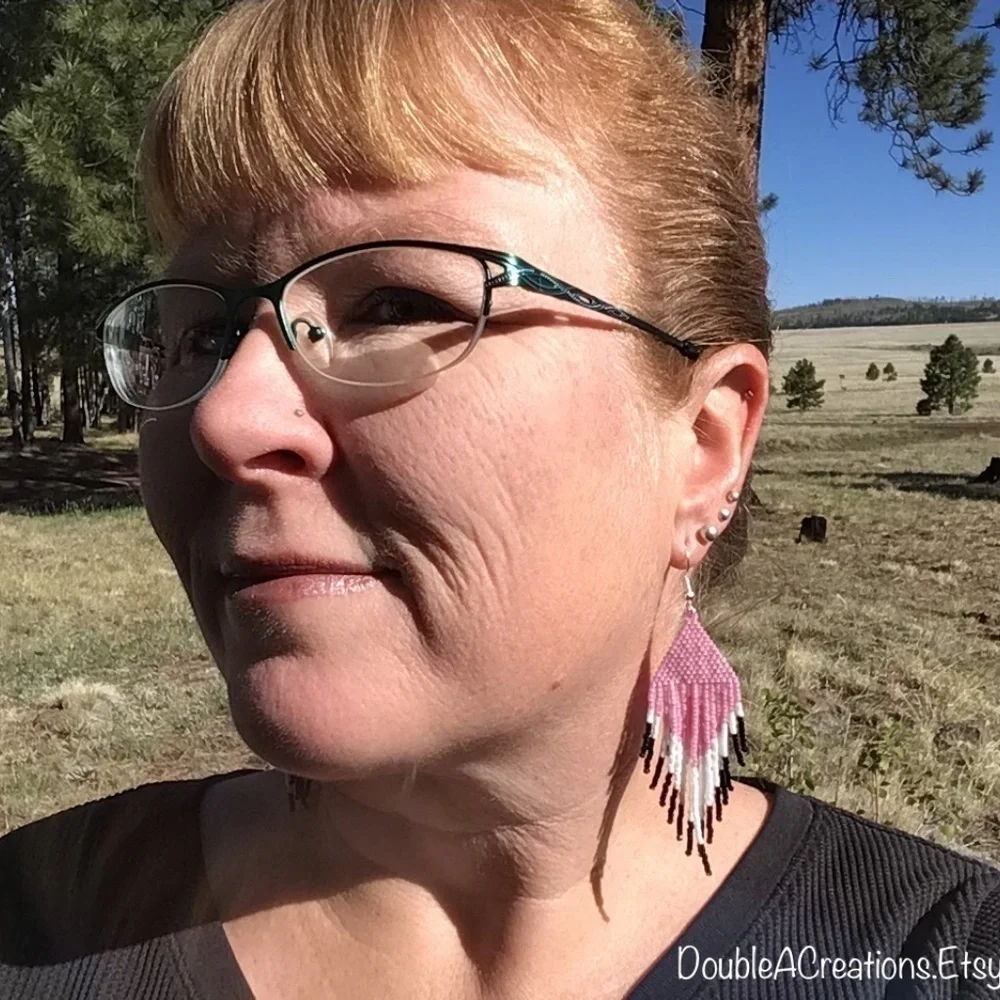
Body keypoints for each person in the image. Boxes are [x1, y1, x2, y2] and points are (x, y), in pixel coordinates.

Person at [2, 0, 1000, 997]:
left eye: (396, 303)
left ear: (701, 448)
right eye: (196, 334)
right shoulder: (35, 927)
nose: (225, 417)